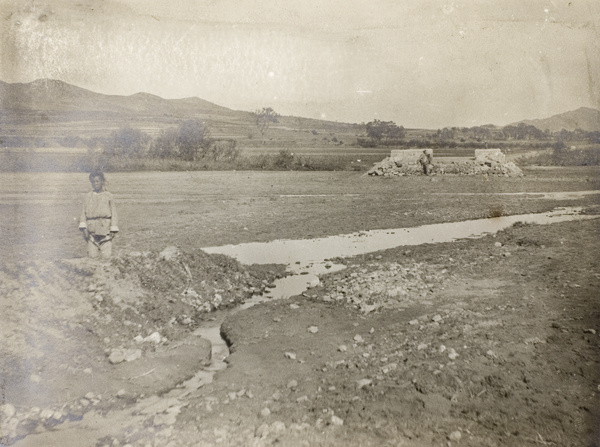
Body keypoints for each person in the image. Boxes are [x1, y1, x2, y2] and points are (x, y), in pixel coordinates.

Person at [79, 171, 119, 259]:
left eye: (97, 181)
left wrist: (113, 229)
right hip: (91, 233)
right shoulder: (87, 197)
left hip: (105, 232)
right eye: (93, 182)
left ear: (102, 182)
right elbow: (83, 214)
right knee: (92, 257)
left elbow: (114, 213)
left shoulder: (109, 196)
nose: (95, 184)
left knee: (106, 257)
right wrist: (84, 229)